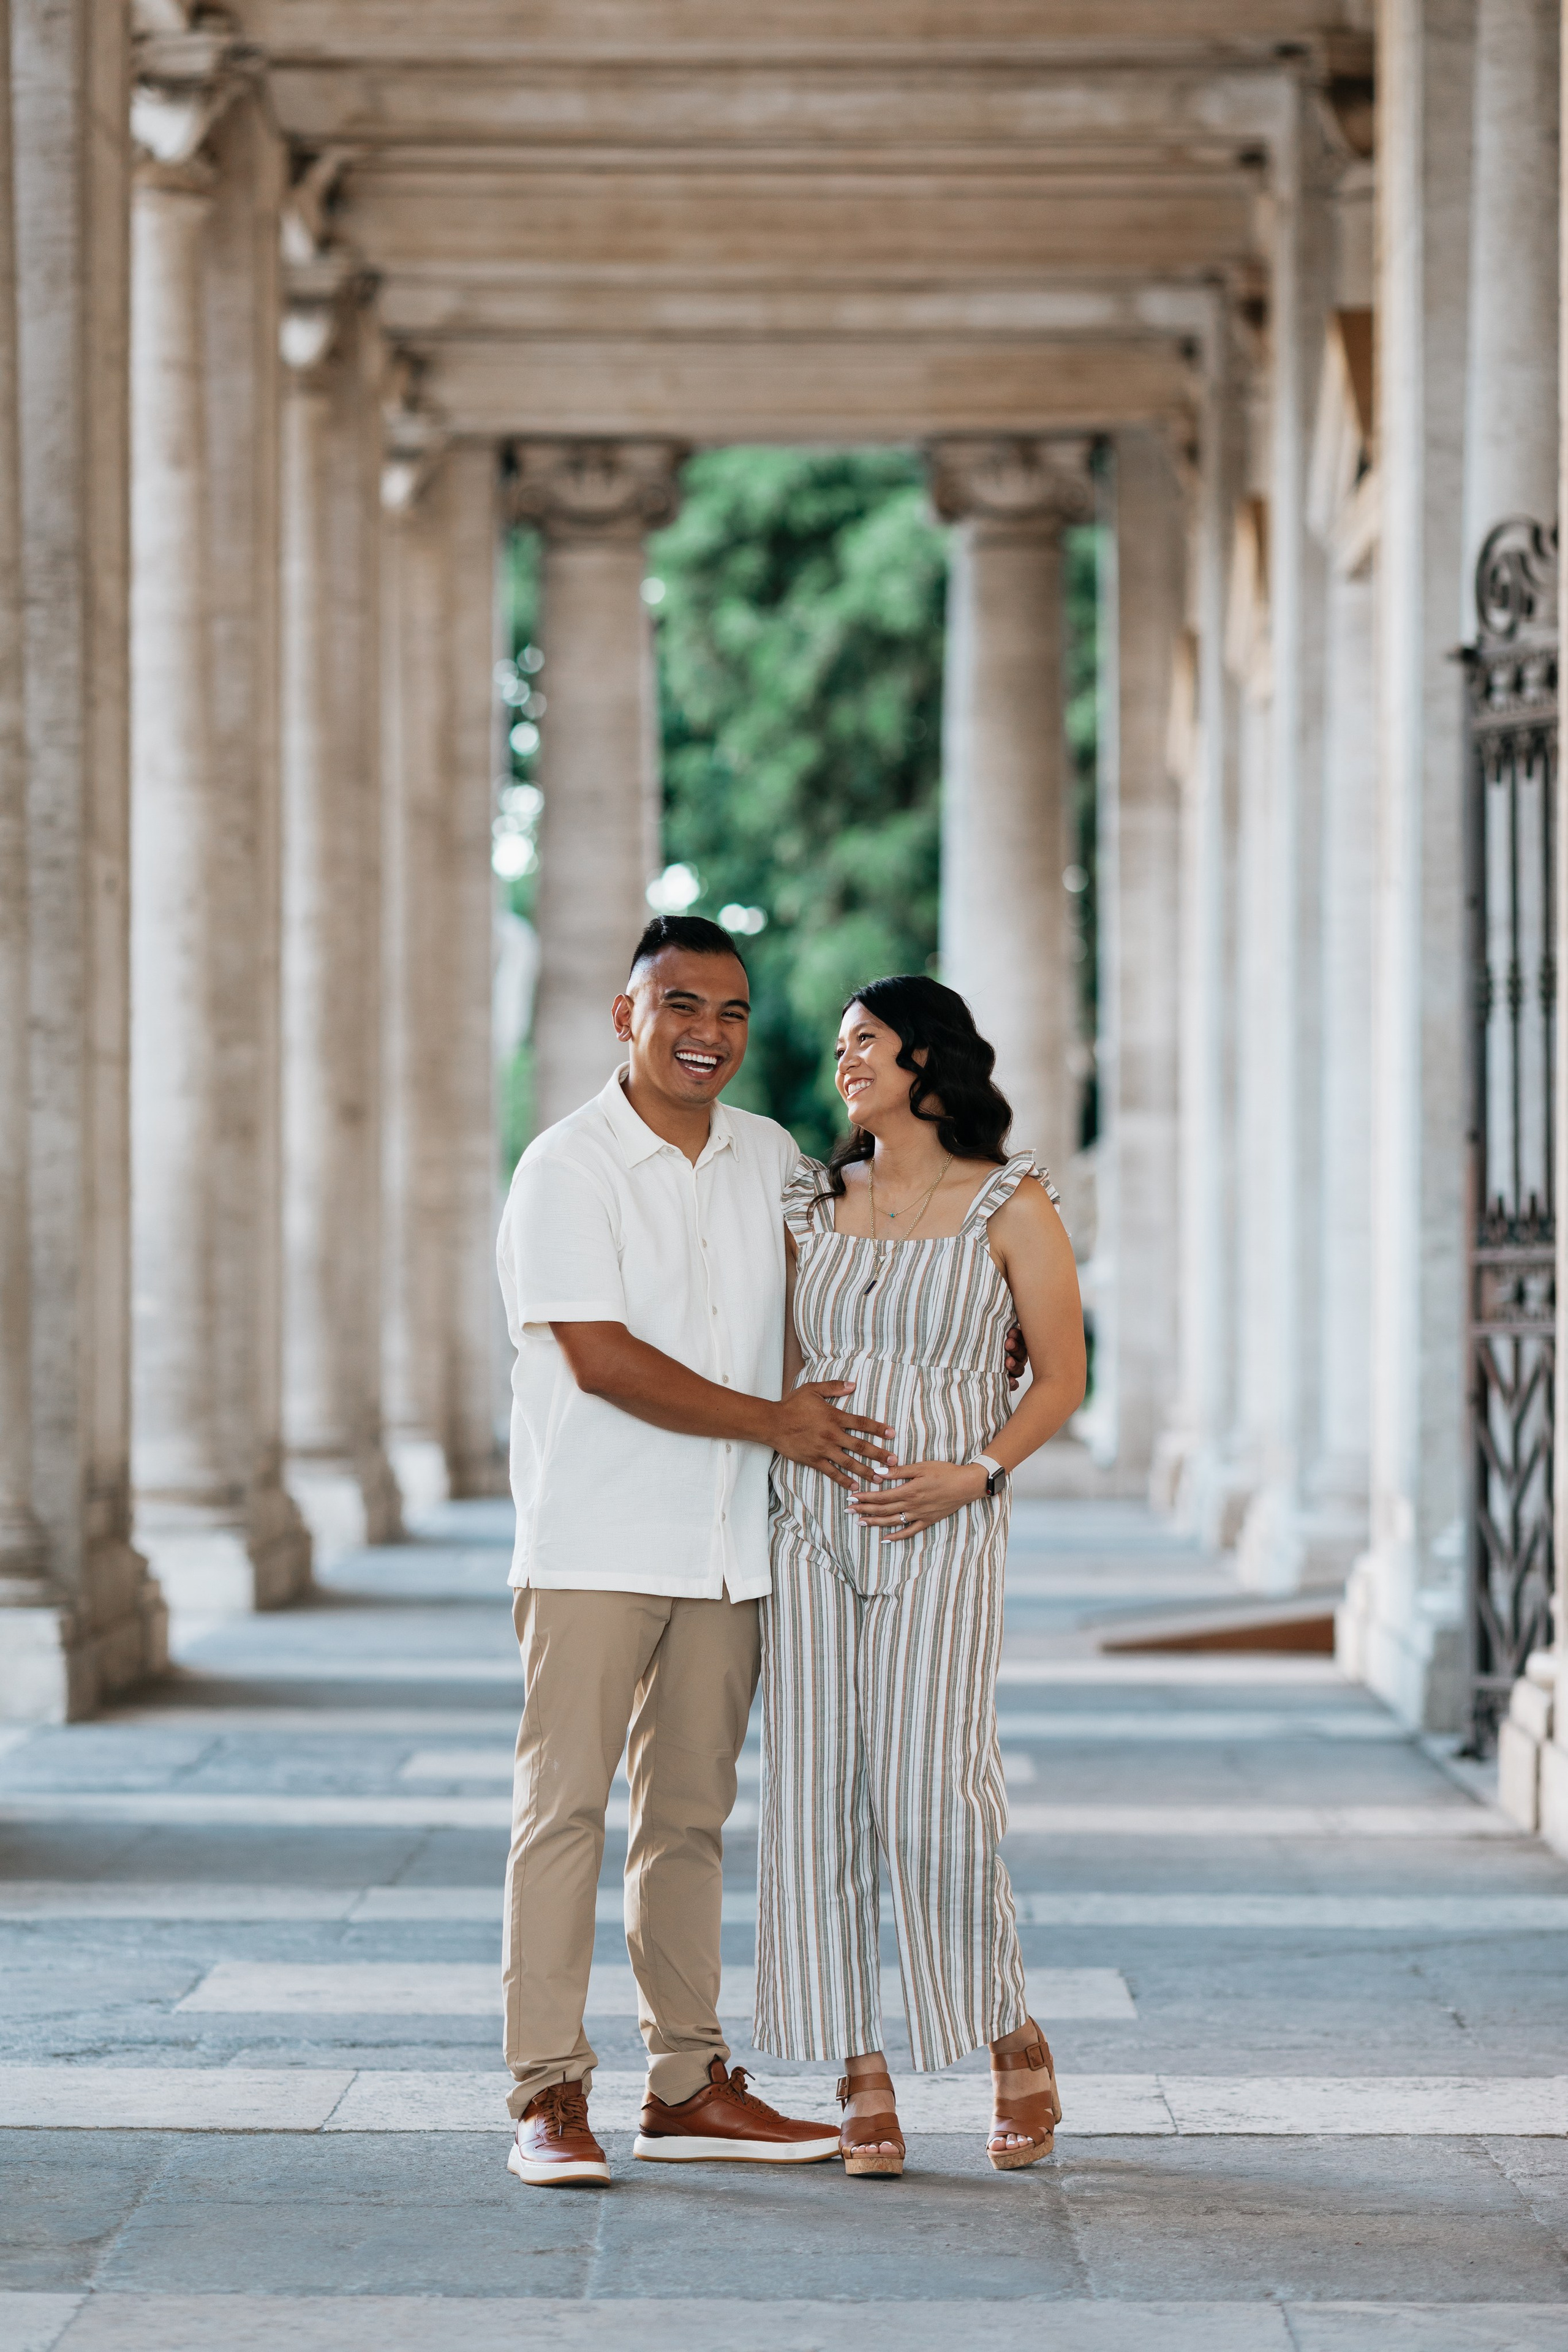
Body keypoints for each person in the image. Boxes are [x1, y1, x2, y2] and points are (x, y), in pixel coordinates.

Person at [494, 914, 900, 2187]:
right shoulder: (566, 1166)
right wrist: (774, 1422)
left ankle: (685, 2083)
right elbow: (599, 1358)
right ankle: (548, 2096)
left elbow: (834, 1288)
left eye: (728, 1013)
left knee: (689, 1820)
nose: (707, 1035)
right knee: (562, 1812)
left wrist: (982, 1333)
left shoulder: (769, 1154)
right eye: (679, 1007)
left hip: (732, 1547)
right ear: (626, 1016)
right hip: (597, 1535)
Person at [753, 974, 1087, 2177]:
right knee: (813, 1798)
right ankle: (856, 2068)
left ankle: (1006, 2034)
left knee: (934, 1797)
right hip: (807, 1527)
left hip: (940, 1529)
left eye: (867, 1042)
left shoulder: (1009, 1201)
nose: (845, 1060)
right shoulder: (810, 1200)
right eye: (839, 1043)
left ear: (925, 1058)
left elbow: (1056, 1377)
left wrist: (974, 1473)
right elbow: (787, 1360)